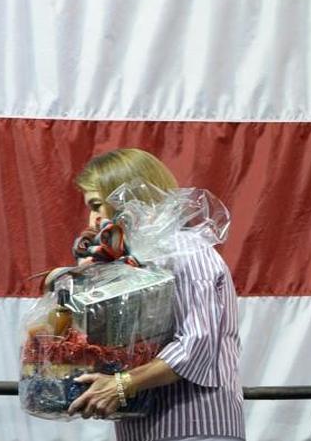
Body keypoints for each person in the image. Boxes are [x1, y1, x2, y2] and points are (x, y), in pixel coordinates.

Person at [65, 148, 245, 441]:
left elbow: (196, 347)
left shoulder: (187, 250)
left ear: (127, 196)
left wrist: (121, 384)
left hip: (196, 425)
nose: (93, 218)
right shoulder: (128, 262)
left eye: (97, 205)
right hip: (140, 428)